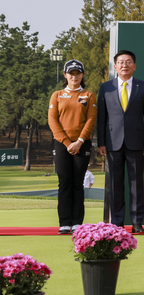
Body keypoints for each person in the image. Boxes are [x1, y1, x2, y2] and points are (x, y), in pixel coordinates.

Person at [97, 50, 144, 234]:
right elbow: (101, 118)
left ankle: (137, 222)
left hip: (137, 142)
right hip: (112, 142)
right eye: (121, 62)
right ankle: (117, 222)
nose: (124, 65)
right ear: (115, 67)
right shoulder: (106, 88)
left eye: (128, 62)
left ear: (134, 66)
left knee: (136, 184)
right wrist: (101, 143)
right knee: (115, 185)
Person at [48, 59, 97, 234]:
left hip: (82, 144)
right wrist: (68, 143)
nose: (74, 76)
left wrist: (80, 141)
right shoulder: (57, 95)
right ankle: (65, 222)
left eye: (77, 73)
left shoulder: (89, 95)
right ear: (65, 75)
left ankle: (77, 221)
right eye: (71, 73)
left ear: (82, 75)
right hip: (62, 144)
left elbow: (91, 119)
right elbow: (52, 120)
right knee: (64, 182)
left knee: (78, 182)